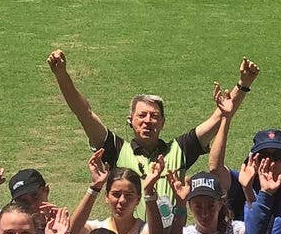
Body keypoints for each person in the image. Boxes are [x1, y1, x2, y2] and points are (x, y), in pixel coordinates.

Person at [47, 48, 248, 179]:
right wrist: (62, 75)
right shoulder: (116, 151)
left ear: (163, 122)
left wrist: (243, 84)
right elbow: (84, 113)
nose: (148, 121)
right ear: (130, 121)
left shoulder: (180, 150)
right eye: (141, 116)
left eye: (154, 116)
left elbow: (220, 115)